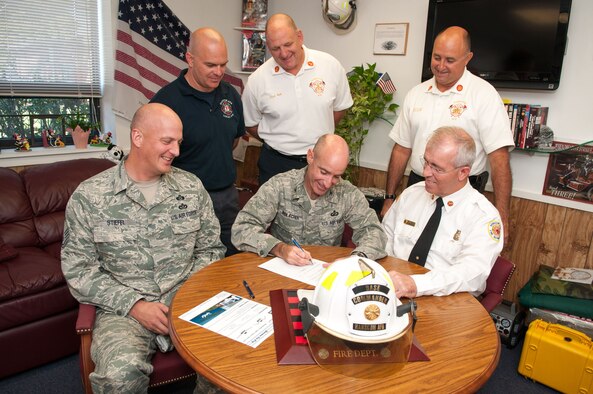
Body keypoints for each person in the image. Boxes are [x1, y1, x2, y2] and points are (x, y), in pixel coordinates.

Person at [61, 103, 226, 393]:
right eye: (167, 141)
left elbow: (211, 250)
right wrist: (134, 305)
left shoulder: (191, 187)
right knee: (117, 378)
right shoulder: (90, 196)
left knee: (230, 360)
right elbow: (79, 269)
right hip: (123, 312)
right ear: (137, 138)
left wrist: (184, 296)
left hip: (189, 301)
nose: (176, 150)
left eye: (178, 142)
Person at [381, 26, 513, 241]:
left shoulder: (483, 95)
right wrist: (389, 197)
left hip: (462, 191)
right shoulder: (416, 94)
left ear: (467, 58)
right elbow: (401, 149)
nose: (440, 66)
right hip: (418, 185)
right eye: (436, 57)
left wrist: (502, 217)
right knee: (406, 244)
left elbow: (499, 159)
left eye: (450, 60)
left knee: (447, 252)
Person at [150, 27, 245, 256]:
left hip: (226, 197)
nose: (219, 72)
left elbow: (232, 139)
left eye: (223, 64)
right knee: (192, 265)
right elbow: (153, 155)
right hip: (184, 201)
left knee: (232, 261)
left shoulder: (230, 94)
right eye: (211, 65)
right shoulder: (166, 101)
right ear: (190, 59)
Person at [382, 126, 503, 299]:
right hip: (395, 289)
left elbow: (471, 274)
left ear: (463, 172)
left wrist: (416, 285)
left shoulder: (483, 217)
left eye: (437, 168)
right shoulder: (411, 194)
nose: (425, 173)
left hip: (447, 301)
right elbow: (384, 241)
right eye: (426, 162)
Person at [231, 134, 386, 265]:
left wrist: (355, 261)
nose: (327, 183)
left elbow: (374, 232)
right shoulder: (281, 185)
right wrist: (279, 248)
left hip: (327, 273)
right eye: (324, 172)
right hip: (282, 270)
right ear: (310, 157)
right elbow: (242, 228)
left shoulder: (347, 193)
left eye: (336, 176)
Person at [241, 13, 353, 185]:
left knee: (318, 212)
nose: (284, 53)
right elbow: (250, 124)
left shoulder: (330, 66)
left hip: (320, 164)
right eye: (276, 48)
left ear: (299, 36)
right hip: (276, 164)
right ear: (268, 46)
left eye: (288, 44)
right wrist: (279, 138)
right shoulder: (258, 79)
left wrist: (315, 131)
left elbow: (340, 108)